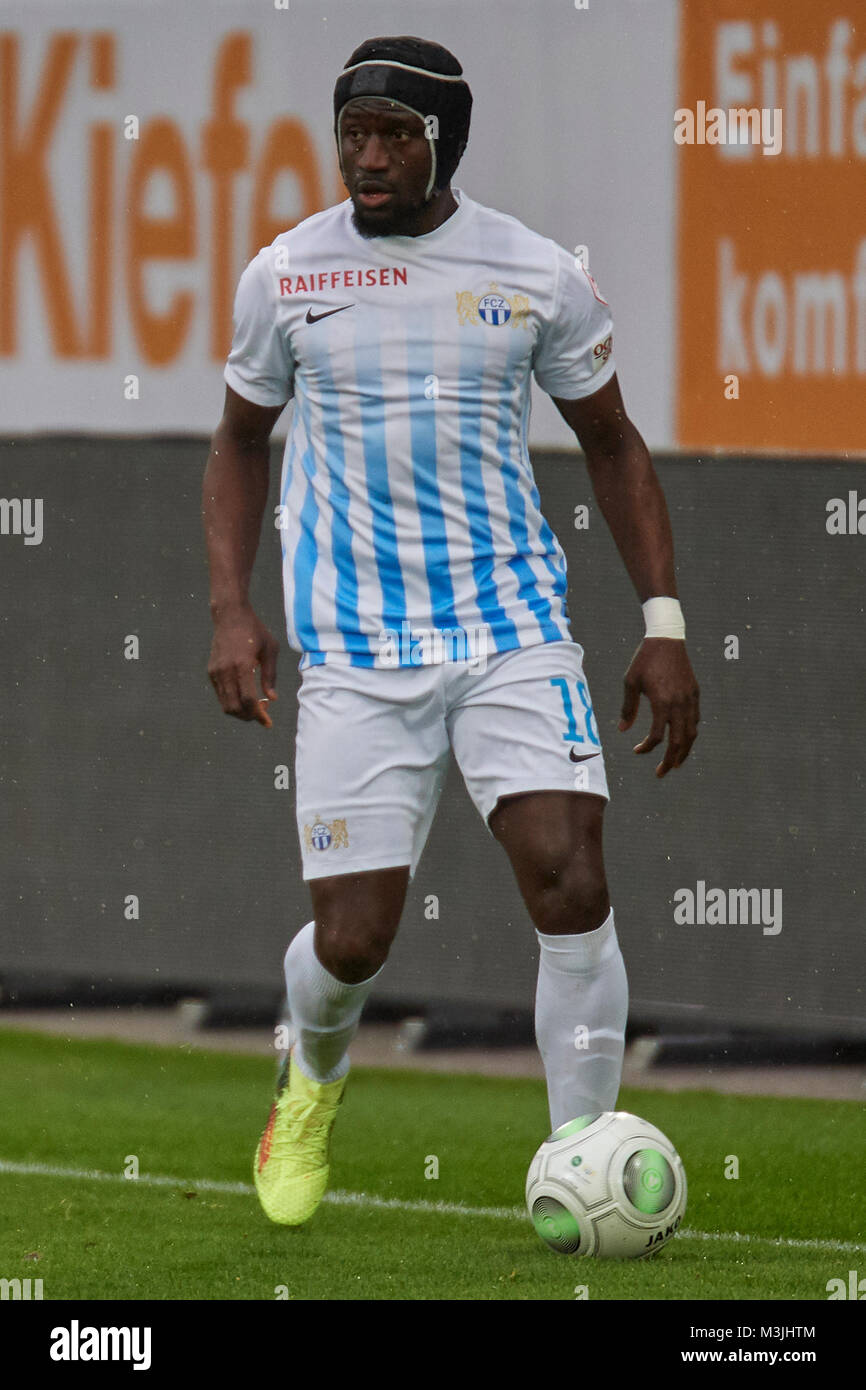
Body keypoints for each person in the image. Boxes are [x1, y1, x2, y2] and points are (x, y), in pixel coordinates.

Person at [202, 35, 700, 1227]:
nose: (367, 161)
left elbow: (614, 444)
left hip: (508, 631)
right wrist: (232, 607)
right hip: (358, 655)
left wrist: (663, 619)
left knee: (568, 879)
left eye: (394, 137)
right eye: (352, 137)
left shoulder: (532, 274)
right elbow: (235, 443)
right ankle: (310, 1077)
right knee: (355, 937)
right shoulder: (284, 276)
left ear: (444, 143)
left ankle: (579, 1155)